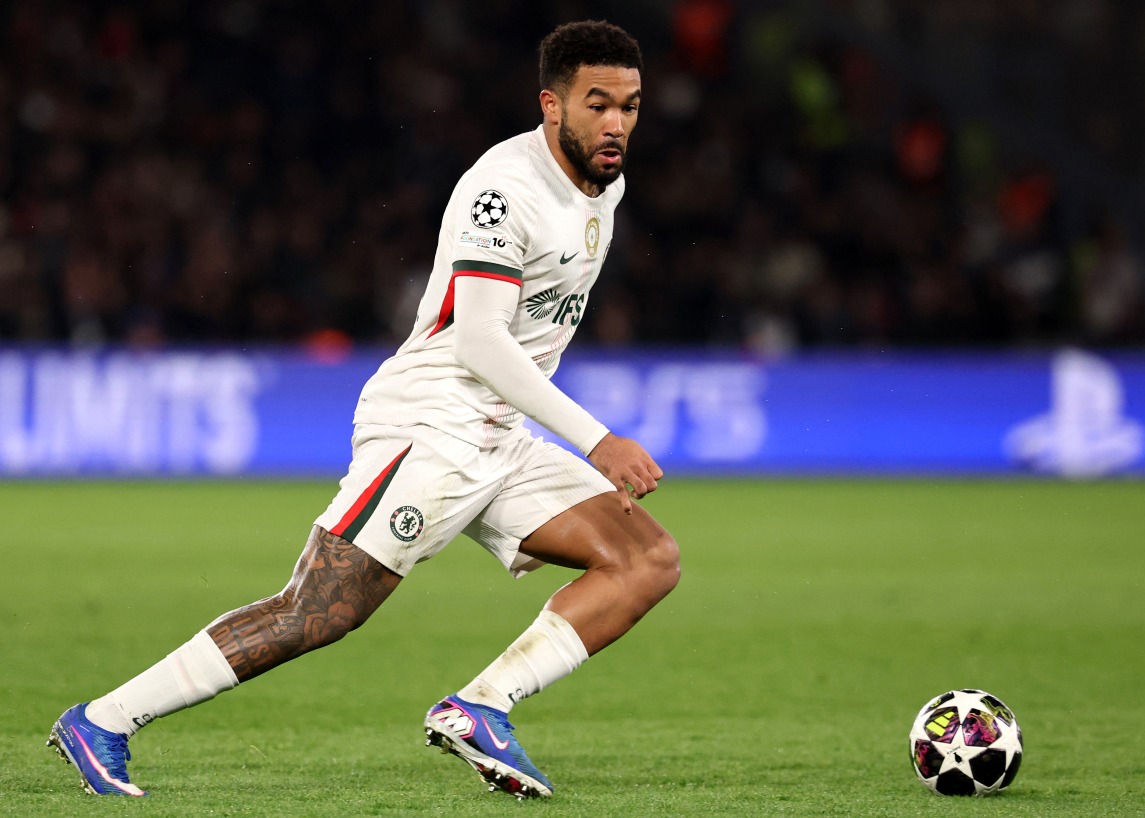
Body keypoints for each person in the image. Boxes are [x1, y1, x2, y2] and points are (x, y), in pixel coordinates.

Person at [47, 20, 679, 800]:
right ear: (551, 106)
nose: (616, 124)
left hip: (499, 434)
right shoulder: (502, 191)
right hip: (431, 422)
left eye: (631, 106)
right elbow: (480, 341)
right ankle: (103, 720)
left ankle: (481, 707)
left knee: (646, 559)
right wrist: (596, 439)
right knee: (318, 611)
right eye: (598, 104)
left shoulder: (604, 183)